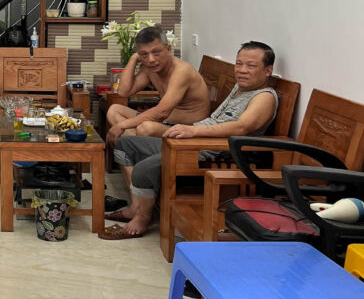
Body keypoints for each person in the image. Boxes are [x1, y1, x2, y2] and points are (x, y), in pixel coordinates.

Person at [99, 41, 279, 240]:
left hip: (212, 154)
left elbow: (241, 127)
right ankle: (137, 206)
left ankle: (142, 218)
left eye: (250, 66)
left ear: (268, 71)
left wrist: (193, 131)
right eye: (239, 64)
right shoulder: (240, 88)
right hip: (193, 142)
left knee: (143, 168)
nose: (242, 70)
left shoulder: (264, 97)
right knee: (125, 144)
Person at [105, 27, 210, 147]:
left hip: (187, 129)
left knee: (145, 128)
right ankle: (133, 145)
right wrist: (133, 58)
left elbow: (162, 112)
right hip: (166, 123)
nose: (151, 59)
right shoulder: (150, 69)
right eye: (144, 54)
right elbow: (124, 92)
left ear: (168, 49)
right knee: (114, 110)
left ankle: (131, 147)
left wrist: (122, 125)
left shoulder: (181, 71)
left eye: (156, 53)